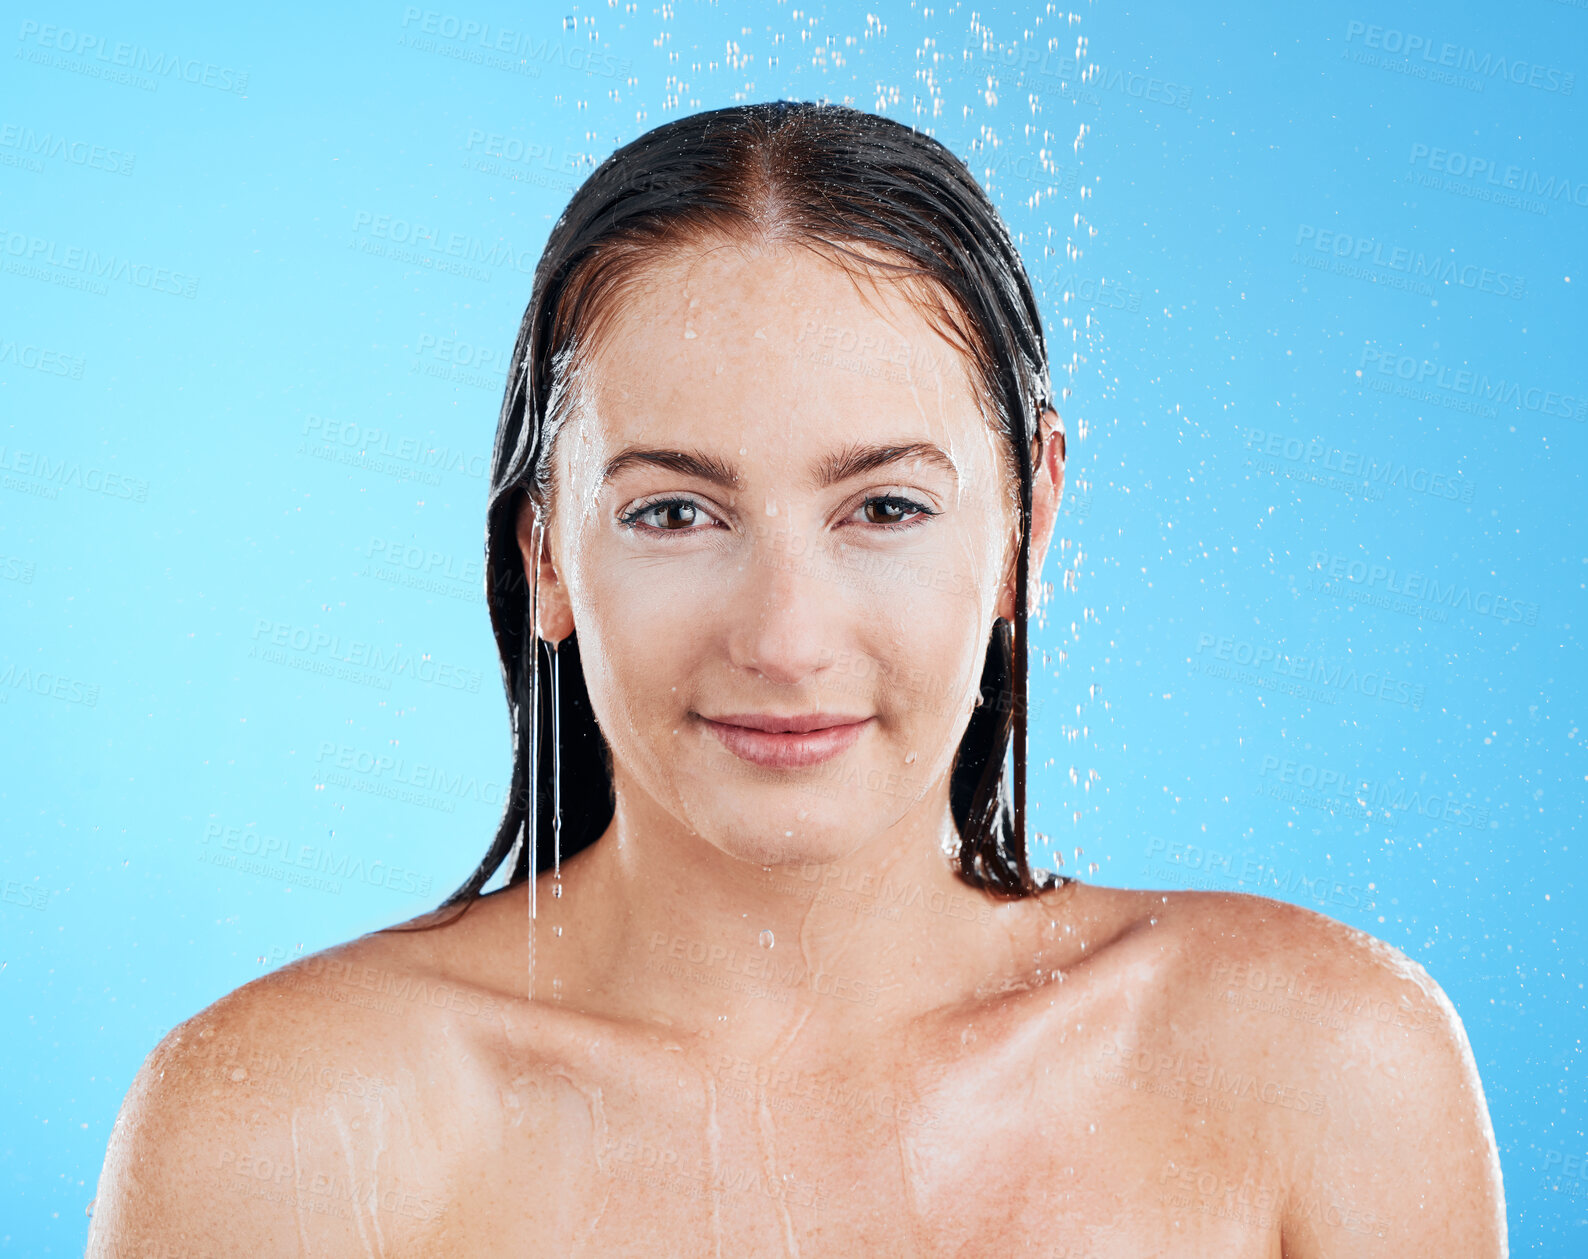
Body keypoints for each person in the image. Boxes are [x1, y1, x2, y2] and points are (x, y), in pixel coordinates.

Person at [87, 101, 1505, 1257]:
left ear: (1031, 522)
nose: (783, 639)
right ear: (547, 556)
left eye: (884, 508)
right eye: (674, 512)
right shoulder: (282, 1133)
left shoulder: (1318, 1073)